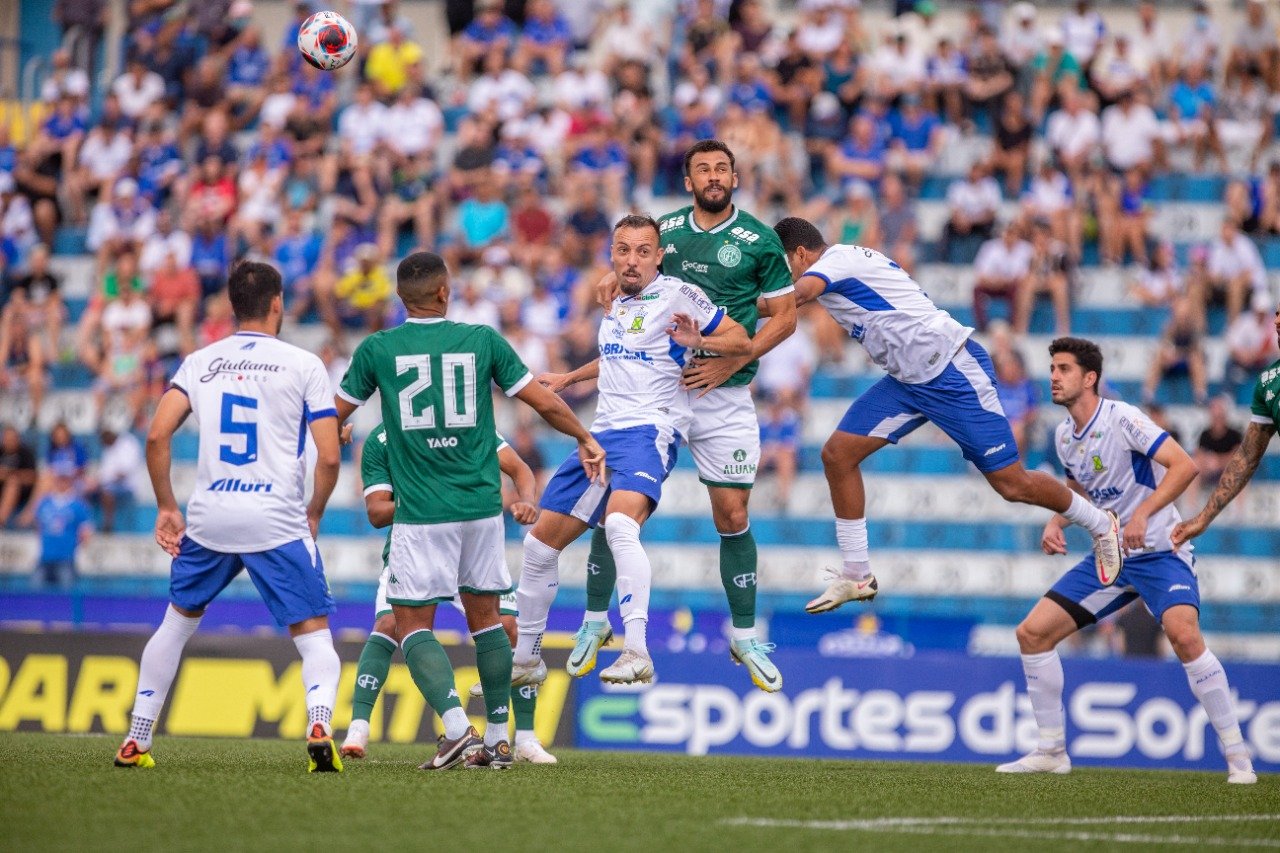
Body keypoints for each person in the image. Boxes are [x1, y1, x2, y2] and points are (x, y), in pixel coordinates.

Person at [333, 251, 605, 771]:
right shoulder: (482, 341)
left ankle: (457, 728)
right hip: (481, 508)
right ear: (444, 292)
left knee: (410, 623)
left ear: (399, 297)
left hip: (421, 513)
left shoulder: (378, 349)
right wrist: (584, 436)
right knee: (488, 623)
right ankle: (500, 739)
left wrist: (339, 427)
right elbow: (543, 402)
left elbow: (332, 413)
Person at [771, 217, 1123, 613]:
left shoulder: (836, 260)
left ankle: (1100, 523)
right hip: (909, 381)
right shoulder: (840, 263)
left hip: (952, 370)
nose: (786, 273)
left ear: (800, 254)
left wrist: (738, 300)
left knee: (1012, 484)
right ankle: (857, 574)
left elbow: (799, 295)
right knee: (837, 454)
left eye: (785, 264)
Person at [580, 141, 798, 692]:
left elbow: (787, 319)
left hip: (725, 394)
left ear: (735, 177)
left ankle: (745, 636)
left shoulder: (759, 240)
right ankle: (593, 620)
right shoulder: (666, 231)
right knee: (621, 505)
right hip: (663, 391)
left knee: (732, 514)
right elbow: (632, 273)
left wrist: (729, 363)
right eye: (703, 168)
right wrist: (610, 281)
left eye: (722, 168)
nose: (713, 176)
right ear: (688, 180)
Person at [114, 262, 346, 773]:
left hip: (211, 517)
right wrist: (314, 512)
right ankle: (320, 722)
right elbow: (329, 457)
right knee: (314, 636)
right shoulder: (304, 363)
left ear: (231, 305)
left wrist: (166, 506)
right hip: (276, 520)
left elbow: (156, 436)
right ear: (278, 303)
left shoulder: (199, 362)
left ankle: (137, 737)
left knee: (175, 626)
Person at [997, 337, 1256, 785]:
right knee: (1032, 634)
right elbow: (1080, 490)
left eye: (1063, 369)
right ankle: (1051, 750)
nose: (1053, 376)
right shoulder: (1063, 436)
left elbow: (1184, 466)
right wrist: (1058, 521)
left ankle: (1238, 759)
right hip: (1112, 557)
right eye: (1052, 368)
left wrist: (1143, 513)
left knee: (1184, 635)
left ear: (1090, 377)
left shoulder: (1124, 418)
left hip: (1160, 551)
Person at [514, 214, 751, 688]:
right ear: (612, 254)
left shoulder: (679, 294)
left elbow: (742, 339)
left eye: (643, 250)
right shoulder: (616, 301)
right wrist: (568, 378)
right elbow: (620, 358)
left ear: (659, 256)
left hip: (651, 431)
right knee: (537, 545)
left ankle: (637, 650)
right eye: (623, 249)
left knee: (620, 525)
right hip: (601, 434)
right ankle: (526, 658)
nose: (632, 259)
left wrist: (698, 341)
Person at [339, 424, 558, 765]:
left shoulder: (468, 417)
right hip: (416, 545)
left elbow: (517, 467)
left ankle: (519, 739)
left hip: (470, 541)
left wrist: (526, 500)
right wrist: (427, 502)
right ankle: (358, 727)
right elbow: (376, 512)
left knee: (508, 627)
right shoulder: (383, 438)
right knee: (389, 624)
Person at [1174, 300, 1280, 548]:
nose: (1276, 321)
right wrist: (1203, 517)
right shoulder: (1269, 383)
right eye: (1276, 314)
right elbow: (1245, 458)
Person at [31, 461, 93, 588]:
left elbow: (85, 533)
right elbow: (38, 526)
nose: (62, 482)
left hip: (66, 559)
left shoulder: (78, 505)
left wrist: (72, 546)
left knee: (66, 599)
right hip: (45, 558)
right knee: (35, 598)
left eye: (65, 479)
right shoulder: (44, 502)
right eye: (60, 478)